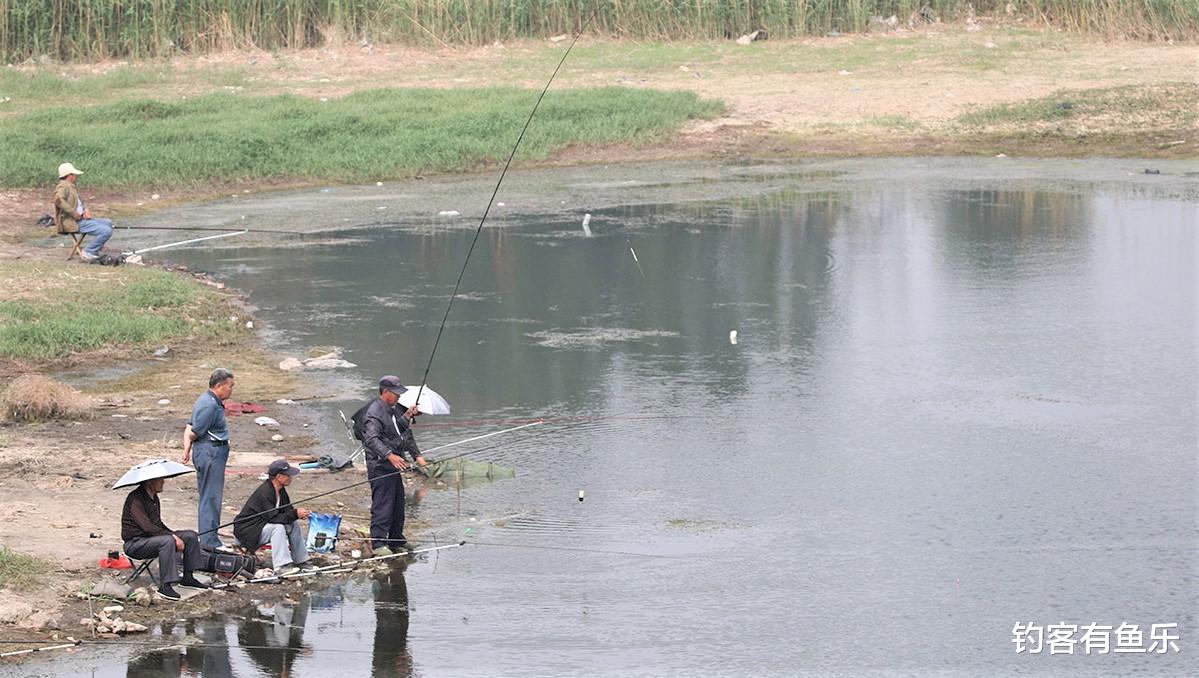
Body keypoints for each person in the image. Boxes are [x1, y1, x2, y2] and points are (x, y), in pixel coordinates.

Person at [360, 375, 426, 556]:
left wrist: (408, 415)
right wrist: (390, 456)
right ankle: (378, 543)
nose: (398, 396)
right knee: (383, 505)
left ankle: (396, 540)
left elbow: (395, 431)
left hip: (393, 466)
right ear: (385, 392)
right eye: (395, 393)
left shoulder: (391, 409)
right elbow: (371, 439)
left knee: (397, 504)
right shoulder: (374, 413)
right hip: (380, 467)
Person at [121, 476, 209, 601]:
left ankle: (188, 577)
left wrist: (173, 534)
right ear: (150, 481)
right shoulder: (135, 499)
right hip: (135, 544)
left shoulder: (154, 498)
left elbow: (158, 524)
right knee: (167, 541)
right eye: (160, 480)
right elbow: (147, 527)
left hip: (151, 539)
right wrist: (172, 536)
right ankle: (165, 586)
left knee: (190, 536)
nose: (163, 482)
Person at [182, 368, 234, 550]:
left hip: (214, 451)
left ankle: (210, 536)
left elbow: (190, 426)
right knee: (210, 496)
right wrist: (188, 446)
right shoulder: (208, 404)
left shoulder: (211, 401)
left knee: (212, 496)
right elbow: (194, 430)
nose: (231, 389)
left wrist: (187, 449)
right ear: (219, 386)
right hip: (210, 452)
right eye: (230, 386)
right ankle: (209, 541)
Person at [233, 460, 311, 575]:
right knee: (278, 527)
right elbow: (273, 518)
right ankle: (282, 565)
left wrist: (298, 514)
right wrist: (295, 514)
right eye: (288, 475)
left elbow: (287, 511)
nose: (290, 478)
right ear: (279, 477)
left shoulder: (281, 490)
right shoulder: (265, 492)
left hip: (262, 527)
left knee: (293, 524)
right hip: (248, 531)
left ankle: (301, 560)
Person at [53, 162, 114, 262]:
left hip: (81, 219)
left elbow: (79, 202)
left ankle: (97, 247)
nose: (75, 176)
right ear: (69, 175)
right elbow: (58, 200)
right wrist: (74, 213)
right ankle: (89, 252)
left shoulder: (70, 186)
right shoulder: (63, 186)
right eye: (74, 174)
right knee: (106, 231)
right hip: (72, 222)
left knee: (108, 222)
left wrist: (85, 210)